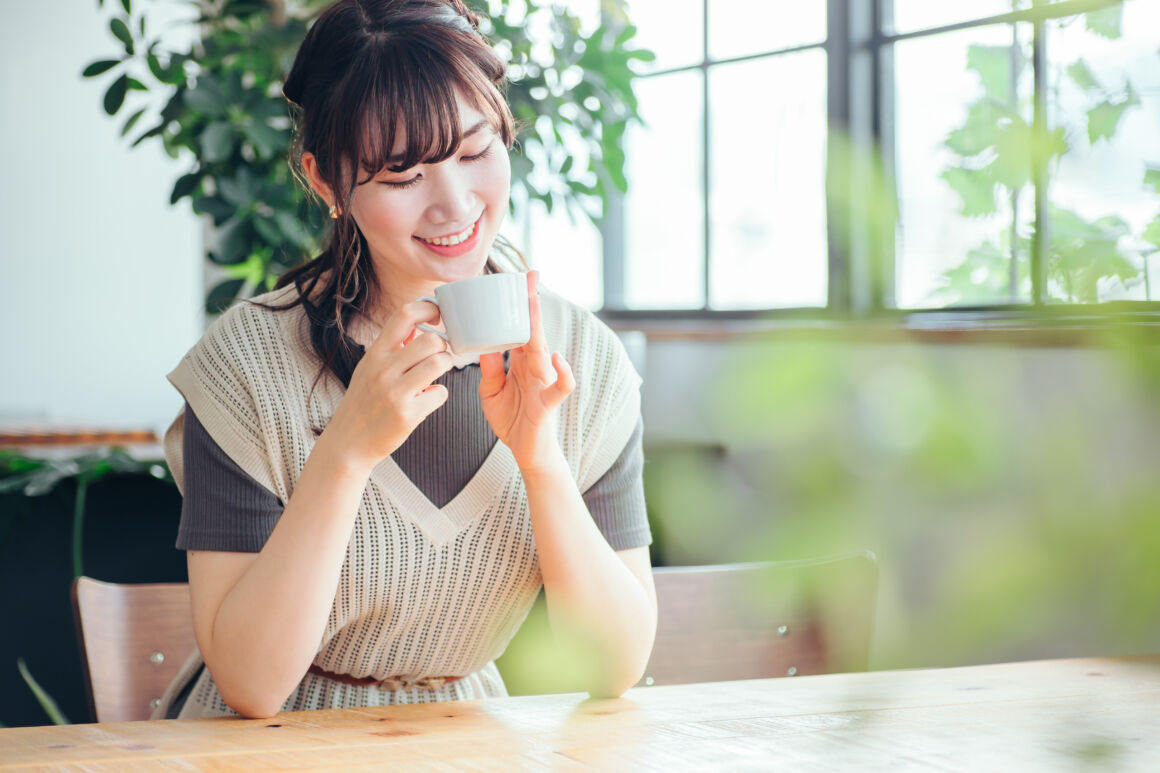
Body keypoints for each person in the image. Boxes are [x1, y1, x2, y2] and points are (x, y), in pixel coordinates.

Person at [151, 0, 657, 720]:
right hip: (264, 751)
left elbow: (613, 669)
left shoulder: (584, 362)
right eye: (400, 176)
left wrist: (541, 458)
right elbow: (252, 685)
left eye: (475, 152)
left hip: (463, 739)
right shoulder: (247, 366)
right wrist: (346, 450)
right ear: (326, 182)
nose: (454, 206)